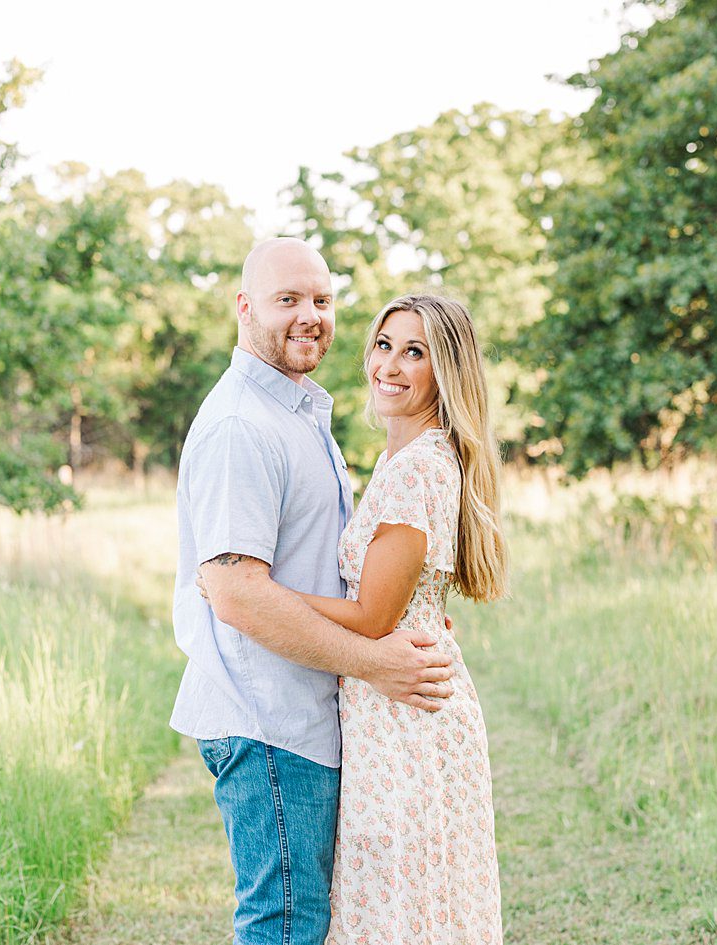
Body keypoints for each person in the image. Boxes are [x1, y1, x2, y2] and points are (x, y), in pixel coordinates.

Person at [174, 238, 457, 945]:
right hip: (269, 716)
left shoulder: (299, 415)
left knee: (308, 921)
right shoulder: (242, 426)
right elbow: (237, 594)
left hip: (307, 713)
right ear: (244, 308)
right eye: (287, 299)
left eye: (322, 300)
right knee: (286, 924)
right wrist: (375, 659)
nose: (310, 316)